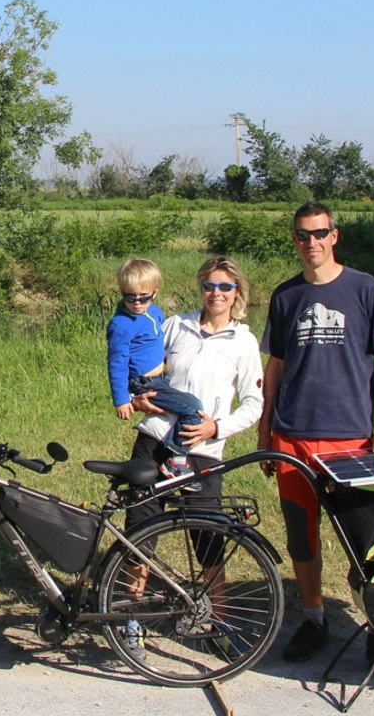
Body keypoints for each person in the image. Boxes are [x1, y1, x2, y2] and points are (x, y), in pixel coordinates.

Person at [257, 201, 374, 675]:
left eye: (319, 233)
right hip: (292, 437)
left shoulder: (364, 288)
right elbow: (275, 366)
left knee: (363, 541)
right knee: (303, 538)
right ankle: (314, 617)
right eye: (302, 235)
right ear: (295, 239)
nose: (311, 242)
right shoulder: (286, 296)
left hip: (351, 439)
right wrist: (265, 430)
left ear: (334, 236)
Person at [123, 255, 265, 658]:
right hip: (154, 440)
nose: (215, 293)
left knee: (208, 539)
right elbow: (145, 370)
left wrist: (215, 428)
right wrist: (140, 399)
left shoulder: (244, 341)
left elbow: (254, 404)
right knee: (139, 531)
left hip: (203, 452)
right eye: (209, 285)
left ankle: (218, 621)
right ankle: (132, 622)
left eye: (224, 286)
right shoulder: (175, 325)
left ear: (237, 292)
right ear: (199, 288)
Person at [106, 258, 203, 478]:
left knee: (182, 407)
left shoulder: (156, 313)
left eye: (144, 297)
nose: (137, 303)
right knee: (193, 407)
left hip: (161, 377)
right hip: (145, 383)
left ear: (155, 293)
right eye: (130, 297)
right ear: (122, 292)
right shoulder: (121, 324)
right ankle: (176, 460)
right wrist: (121, 399)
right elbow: (116, 363)